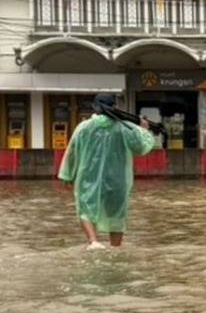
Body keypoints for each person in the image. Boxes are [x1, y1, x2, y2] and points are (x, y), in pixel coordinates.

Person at [58, 94, 158, 249]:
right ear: (115, 107)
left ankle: (93, 241)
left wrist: (67, 175)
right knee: (116, 214)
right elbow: (140, 148)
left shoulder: (84, 127)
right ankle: (115, 248)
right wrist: (143, 130)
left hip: (87, 178)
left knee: (85, 208)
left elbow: (72, 151)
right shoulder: (125, 127)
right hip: (117, 180)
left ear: (95, 107)